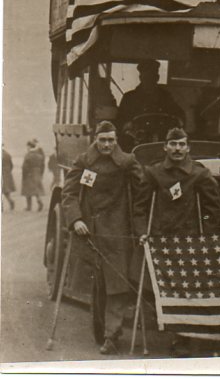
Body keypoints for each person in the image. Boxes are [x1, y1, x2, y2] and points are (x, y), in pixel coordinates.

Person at [61, 120, 146, 355]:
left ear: (116, 141)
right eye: (102, 140)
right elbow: (69, 193)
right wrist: (76, 219)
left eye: (111, 140)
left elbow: (142, 191)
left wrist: (137, 224)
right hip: (90, 230)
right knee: (99, 283)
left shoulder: (127, 162)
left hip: (118, 231)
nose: (107, 145)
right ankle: (102, 331)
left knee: (117, 284)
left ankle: (111, 335)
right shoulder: (84, 161)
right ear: (95, 140)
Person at [134, 127, 220, 239]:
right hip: (158, 236)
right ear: (165, 147)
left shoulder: (200, 174)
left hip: (190, 238)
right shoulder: (153, 173)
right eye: (173, 144)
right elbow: (140, 207)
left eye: (182, 144)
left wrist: (206, 234)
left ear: (188, 148)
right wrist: (142, 232)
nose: (177, 149)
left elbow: (211, 210)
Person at [116, 60, 184, 150]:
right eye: (146, 77)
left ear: (157, 78)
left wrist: (178, 122)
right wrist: (128, 126)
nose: (149, 81)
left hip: (162, 139)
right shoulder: (129, 98)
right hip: (137, 141)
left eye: (152, 77)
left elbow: (179, 115)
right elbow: (120, 121)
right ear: (140, 78)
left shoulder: (166, 96)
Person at [21, 140, 45, 211]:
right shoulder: (39, 156)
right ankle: (39, 201)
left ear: (29, 146)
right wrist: (41, 174)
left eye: (27, 146)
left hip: (29, 174)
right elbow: (43, 166)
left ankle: (29, 207)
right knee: (36, 189)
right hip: (37, 173)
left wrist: (24, 175)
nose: (27, 148)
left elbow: (24, 167)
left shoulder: (28, 155)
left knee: (27, 191)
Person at [2, 145, 16, 211]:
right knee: (6, 191)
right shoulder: (7, 154)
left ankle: (3, 206)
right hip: (7, 175)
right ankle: (11, 201)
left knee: (4, 191)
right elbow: (11, 165)